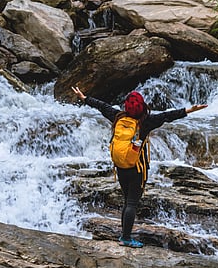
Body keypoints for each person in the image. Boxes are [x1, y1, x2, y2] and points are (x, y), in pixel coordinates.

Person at [71, 86, 207, 247]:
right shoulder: (146, 122)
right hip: (137, 169)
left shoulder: (117, 116)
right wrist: (190, 110)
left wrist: (84, 98)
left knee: (127, 201)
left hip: (120, 167)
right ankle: (126, 238)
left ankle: (124, 234)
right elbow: (168, 116)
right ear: (142, 107)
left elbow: (101, 105)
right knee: (132, 203)